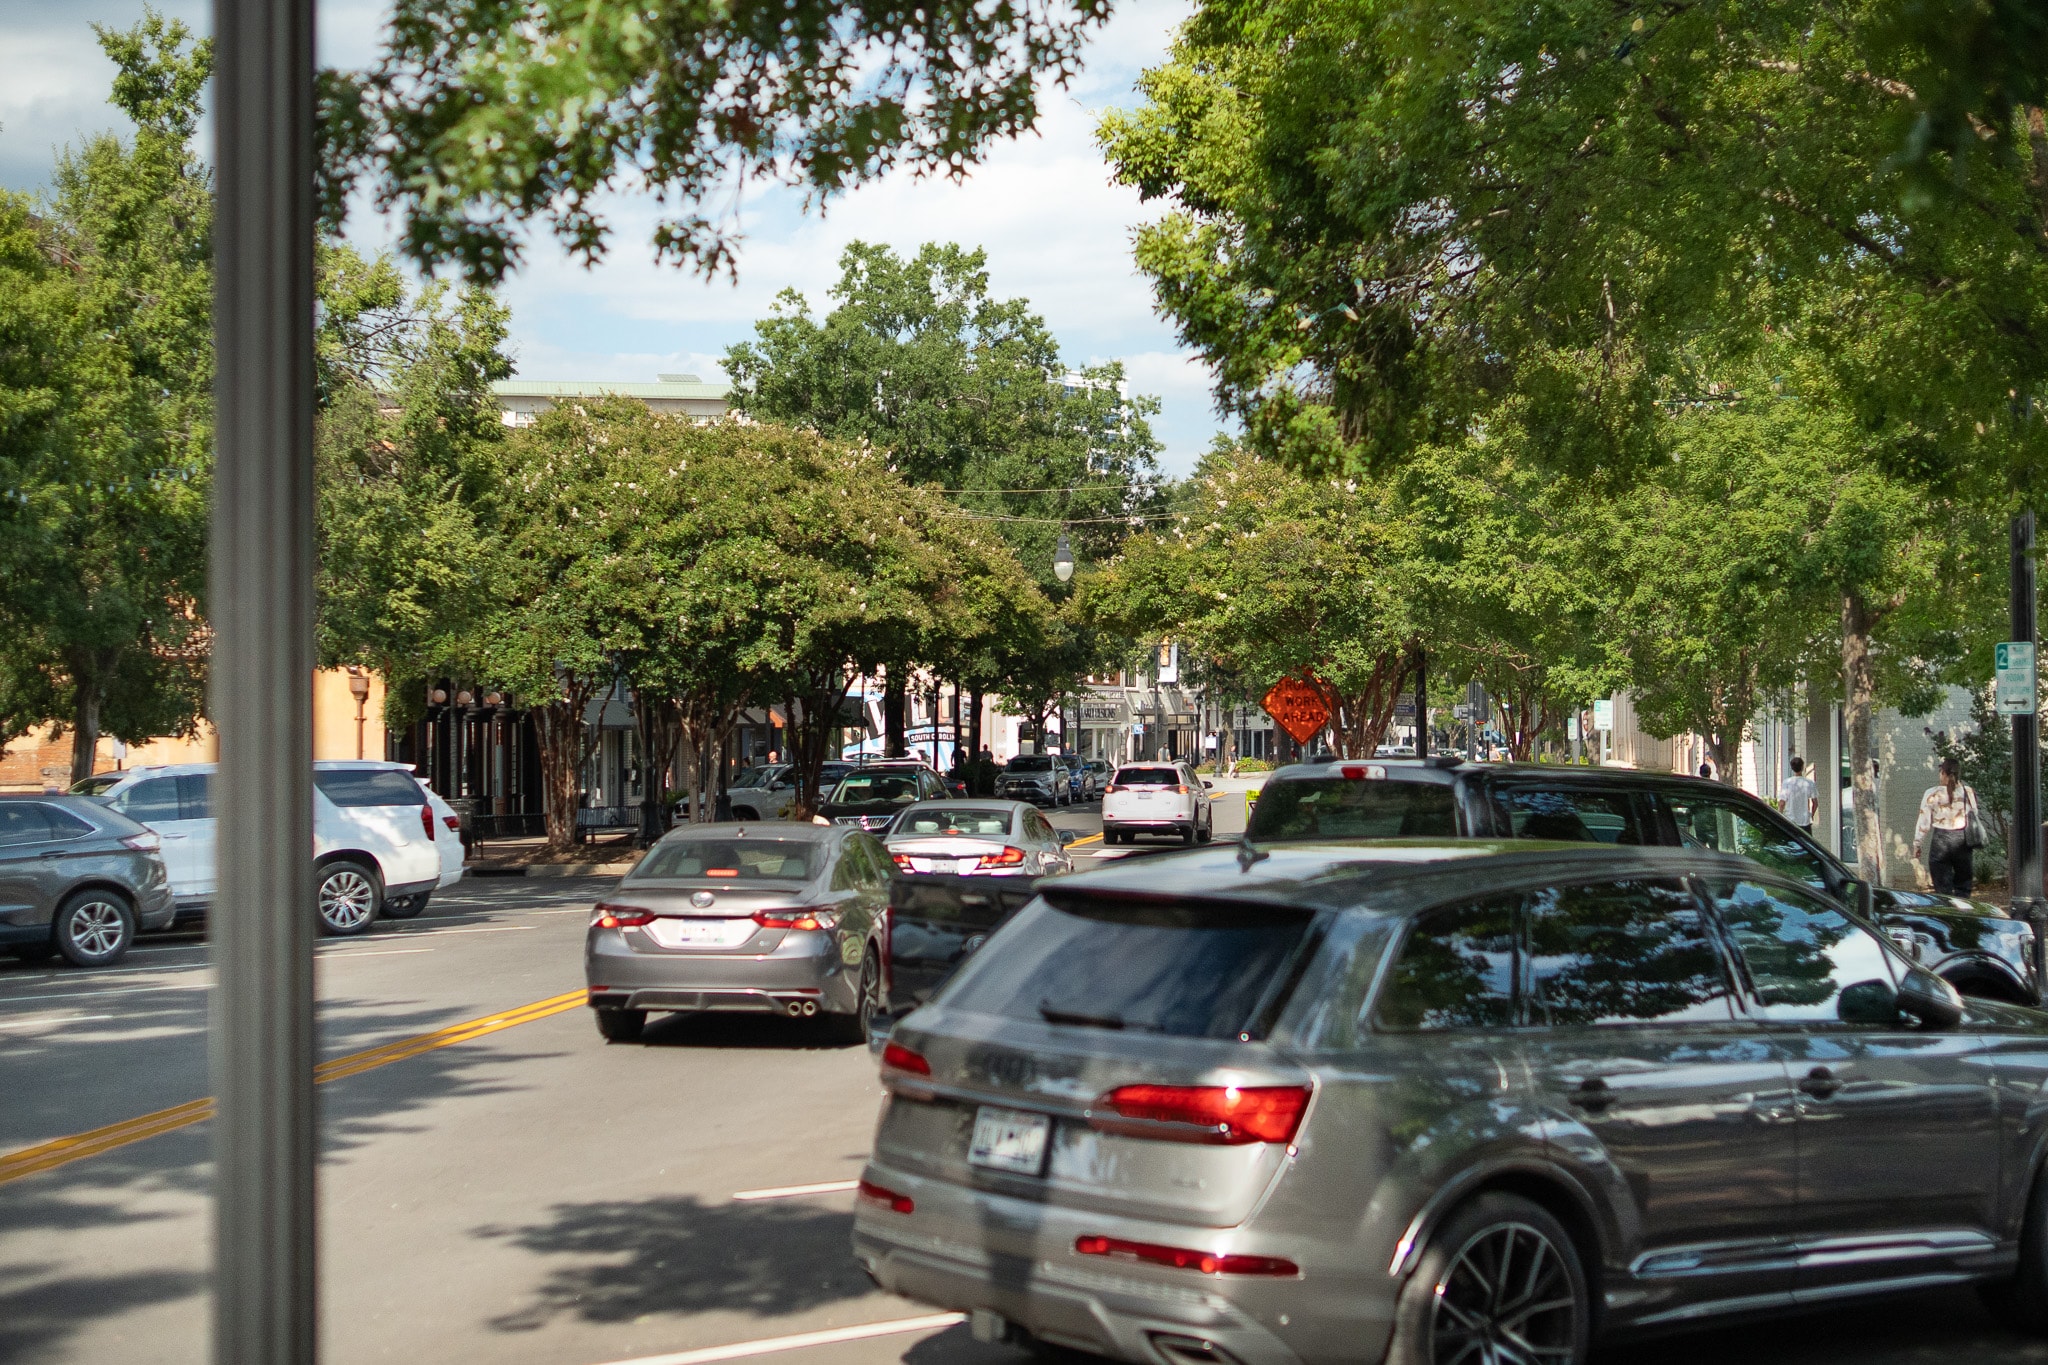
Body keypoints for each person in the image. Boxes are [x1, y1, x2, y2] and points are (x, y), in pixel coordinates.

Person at [1912, 757, 1981, 896]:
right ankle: (1962, 914)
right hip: (1962, 840)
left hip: (1941, 840)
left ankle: (1946, 912)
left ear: (1943, 773)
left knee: (1942, 888)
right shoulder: (1968, 792)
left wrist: (1917, 844)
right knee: (1964, 885)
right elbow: (1974, 814)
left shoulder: (1931, 793)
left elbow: (1923, 822)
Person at [1780, 756, 1818, 831]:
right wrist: (1812, 815)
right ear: (1802, 767)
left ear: (1792, 768)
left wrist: (1780, 816)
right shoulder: (1809, 783)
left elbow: (1782, 803)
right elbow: (1815, 803)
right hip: (1805, 821)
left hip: (1790, 820)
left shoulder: (1787, 783)